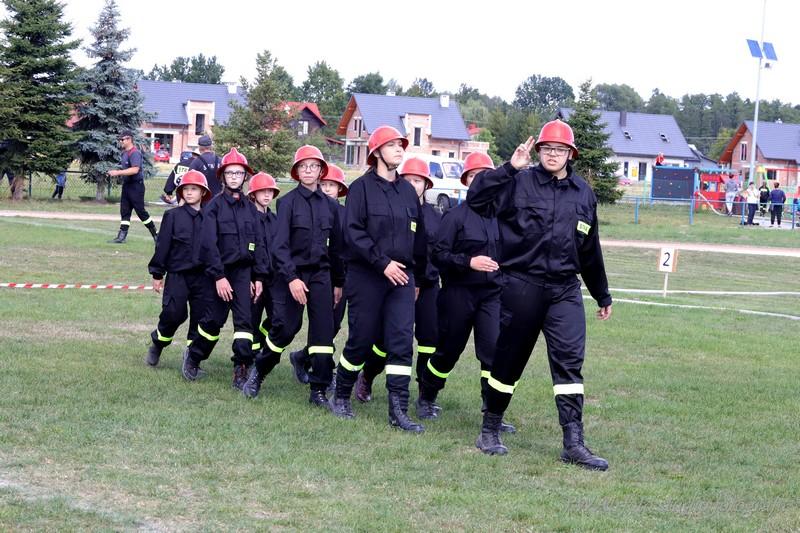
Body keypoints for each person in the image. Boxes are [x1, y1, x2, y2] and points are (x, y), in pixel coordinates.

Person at [467, 120, 612, 470]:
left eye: (560, 149)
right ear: (539, 151)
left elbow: (590, 249)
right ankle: (489, 429)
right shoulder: (519, 182)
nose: (553, 154)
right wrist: (509, 168)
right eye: (547, 148)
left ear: (570, 154)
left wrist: (602, 294)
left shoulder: (583, 194)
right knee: (509, 361)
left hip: (565, 290)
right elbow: (476, 199)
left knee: (569, 363)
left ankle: (573, 443)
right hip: (522, 285)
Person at [331, 125, 427, 433]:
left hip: (403, 279)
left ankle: (398, 410)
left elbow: (420, 238)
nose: (399, 150)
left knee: (401, 342)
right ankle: (341, 395)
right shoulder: (360, 189)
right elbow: (353, 233)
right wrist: (382, 263)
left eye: (401, 145)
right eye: (392, 145)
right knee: (361, 339)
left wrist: (417, 278)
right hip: (367, 276)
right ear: (376, 152)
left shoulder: (408, 192)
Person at [416, 152, 514, 433]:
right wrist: (468, 262)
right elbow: (438, 255)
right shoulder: (455, 216)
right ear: (466, 181)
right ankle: (427, 396)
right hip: (458, 294)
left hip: (492, 295)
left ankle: (491, 411)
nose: (480, 180)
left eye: (486, 175)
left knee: (493, 353)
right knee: (448, 351)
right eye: (474, 176)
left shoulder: (501, 217)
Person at [243, 145, 344, 408]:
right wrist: (291, 279)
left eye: (313, 166)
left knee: (323, 335)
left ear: (321, 171)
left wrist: (338, 282)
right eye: (303, 166)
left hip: (322, 276)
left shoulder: (332, 207)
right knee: (285, 329)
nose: (308, 170)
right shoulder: (286, 203)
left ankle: (318, 389)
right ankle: (259, 372)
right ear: (297, 171)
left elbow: (337, 249)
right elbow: (279, 246)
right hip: (292, 275)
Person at [354, 157, 441, 408]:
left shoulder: (436, 216)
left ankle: (423, 393)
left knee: (428, 341)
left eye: (418, 181)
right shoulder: (396, 207)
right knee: (386, 340)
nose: (413, 185)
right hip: (399, 280)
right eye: (409, 179)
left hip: (428, 285)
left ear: (426, 185)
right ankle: (367, 376)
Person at [181, 148, 270, 390]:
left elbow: (259, 244)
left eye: (238, 173)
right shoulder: (213, 207)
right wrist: (219, 277)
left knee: (245, 324)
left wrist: (258, 276)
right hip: (218, 274)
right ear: (222, 176)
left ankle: (241, 368)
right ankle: (194, 356)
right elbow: (208, 245)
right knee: (213, 321)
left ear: (244, 176)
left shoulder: (250, 209)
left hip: (243, 274)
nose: (234, 177)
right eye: (230, 173)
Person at [288, 163, 349, 385]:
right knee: (320, 325)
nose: (328, 188)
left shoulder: (346, 213)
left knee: (333, 325)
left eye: (333, 185)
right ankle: (323, 370)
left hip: (341, 274)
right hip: (319, 273)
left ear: (340, 189)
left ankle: (303, 357)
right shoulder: (309, 207)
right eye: (325, 184)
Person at [145, 170, 213, 367]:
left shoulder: (210, 217)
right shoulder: (172, 216)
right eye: (185, 189)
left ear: (203, 192)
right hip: (178, 275)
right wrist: (157, 273)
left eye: (194, 189)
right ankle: (158, 343)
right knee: (173, 313)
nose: (189, 192)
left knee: (200, 319)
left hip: (203, 277)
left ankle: (192, 360)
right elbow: (162, 246)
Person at [246, 172, 280, 371]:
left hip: (274, 280)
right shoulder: (248, 219)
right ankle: (250, 358)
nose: (267, 195)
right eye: (262, 191)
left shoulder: (275, 220)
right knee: (252, 320)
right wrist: (250, 277)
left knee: (279, 319)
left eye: (270, 191)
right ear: (253, 194)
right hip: (253, 279)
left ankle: (261, 339)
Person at [108, 130, 158, 244]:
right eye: (120, 139)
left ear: (129, 139)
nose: (120, 141)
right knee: (124, 211)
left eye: (122, 139)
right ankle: (121, 237)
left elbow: (135, 170)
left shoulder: (135, 153)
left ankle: (156, 234)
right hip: (127, 186)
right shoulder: (124, 153)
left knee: (141, 212)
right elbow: (125, 168)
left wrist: (118, 173)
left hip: (136, 187)